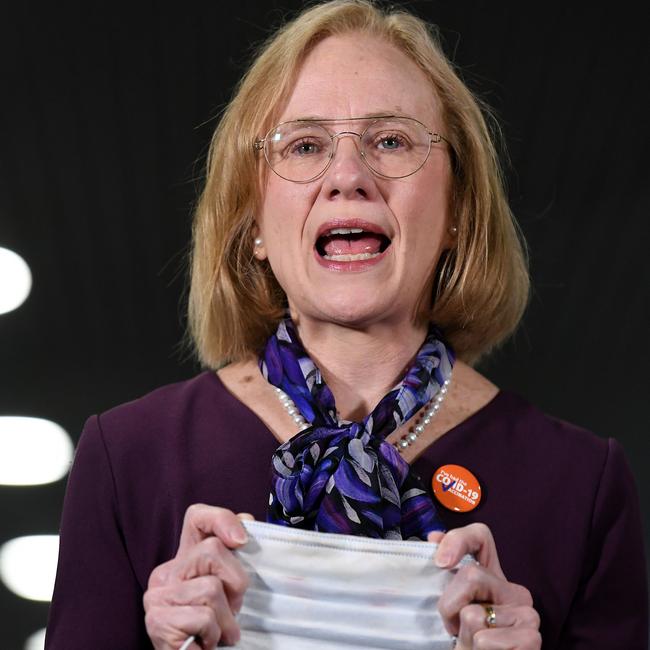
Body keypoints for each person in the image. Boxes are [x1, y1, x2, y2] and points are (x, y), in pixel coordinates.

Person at [45, 1, 648, 649]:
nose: (349, 177)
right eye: (305, 145)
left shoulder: (580, 483)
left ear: (456, 211)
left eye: (391, 140)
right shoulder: (129, 456)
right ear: (252, 222)